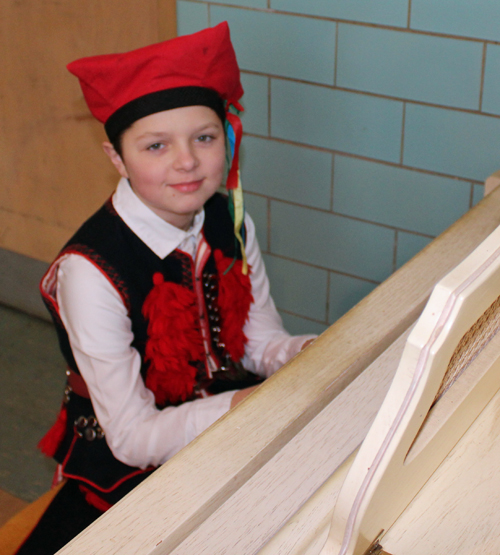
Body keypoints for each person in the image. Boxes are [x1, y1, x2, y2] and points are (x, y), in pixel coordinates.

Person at [16, 22, 316, 554]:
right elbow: (131, 437)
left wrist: (300, 353)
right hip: (130, 458)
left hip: (226, 412)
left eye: (204, 137)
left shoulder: (231, 220)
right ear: (117, 157)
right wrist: (239, 407)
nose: (186, 161)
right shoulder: (89, 271)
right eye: (156, 145)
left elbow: (255, 338)